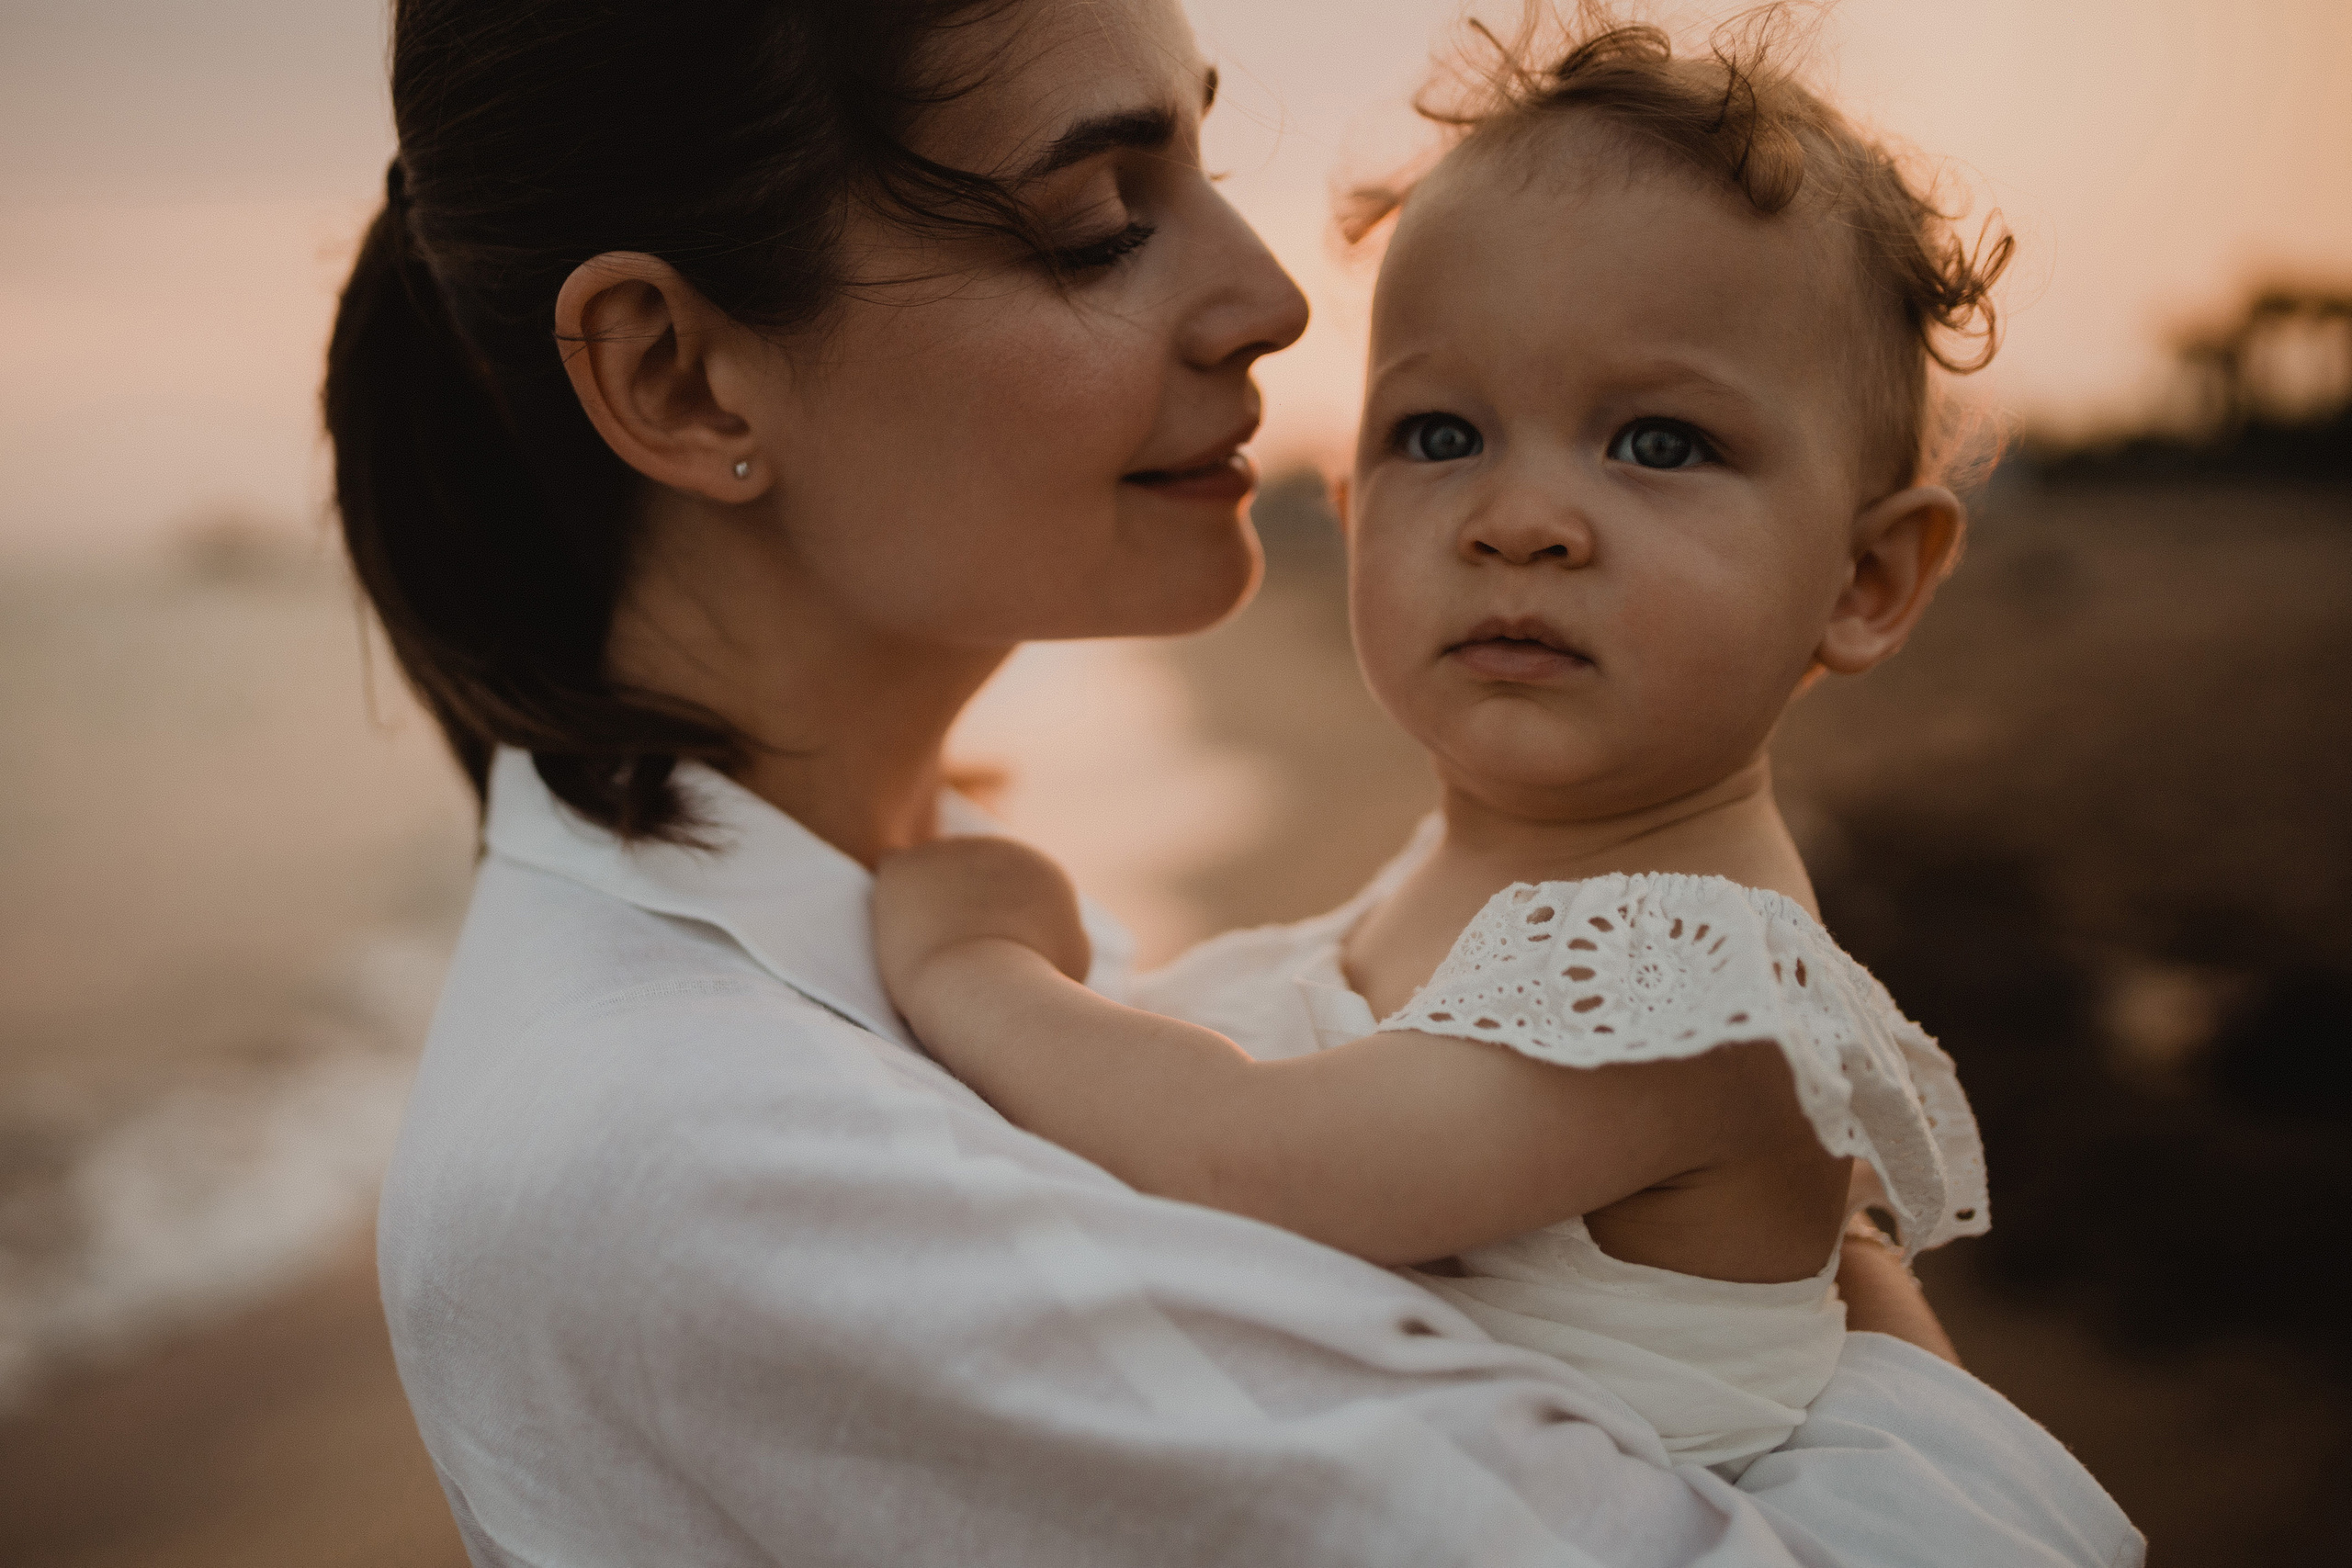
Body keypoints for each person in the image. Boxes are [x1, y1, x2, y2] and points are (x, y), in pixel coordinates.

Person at [334, 0, 2140, 1562]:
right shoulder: (696, 1165)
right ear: (675, 368)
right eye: (1102, 217)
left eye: (1197, 164)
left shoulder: (932, 894)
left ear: (1873, 570)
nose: (1276, 299)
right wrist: (1891, 1351)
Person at [870, 9, 2028, 1483]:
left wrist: (973, 965)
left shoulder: (1697, 977)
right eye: (1440, 435)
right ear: (1354, 513)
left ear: (1867, 582)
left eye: (1658, 443)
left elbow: (1253, 1161)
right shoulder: (1490, 878)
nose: (1518, 518)